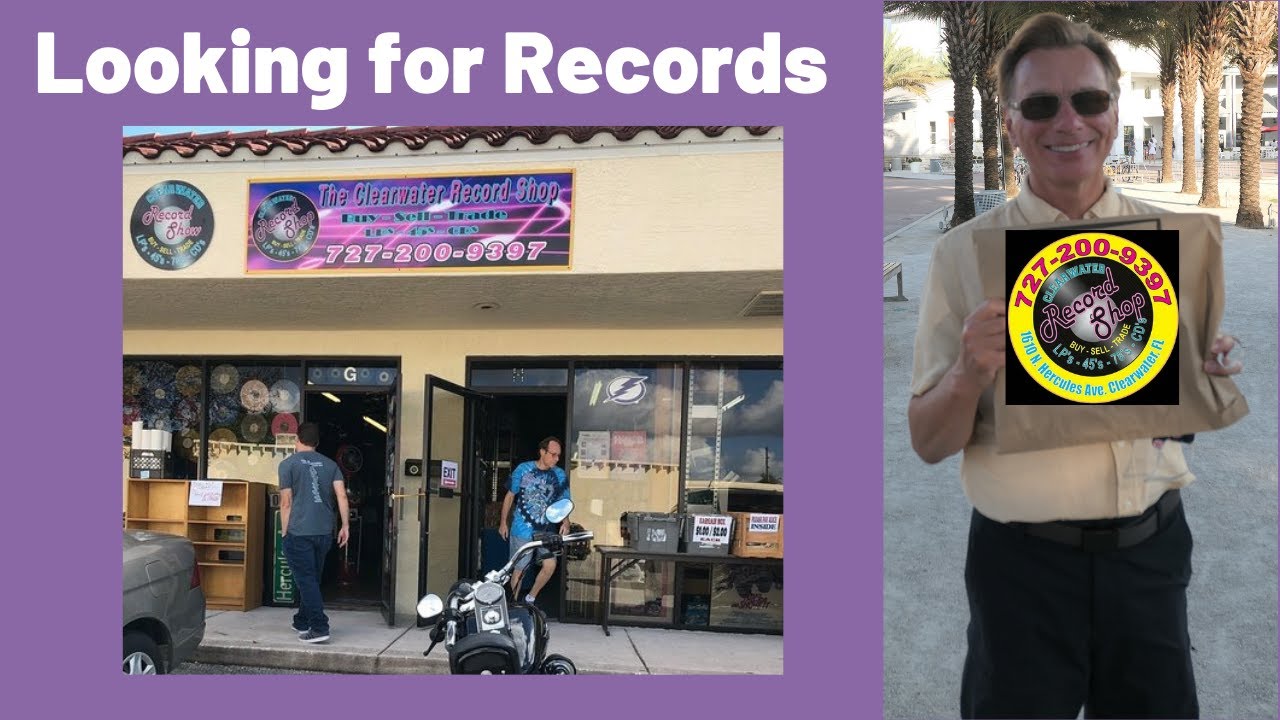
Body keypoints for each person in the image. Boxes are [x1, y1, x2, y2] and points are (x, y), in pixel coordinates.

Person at [907, 13, 1243, 719]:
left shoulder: (1169, 247)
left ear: (1114, 111)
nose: (1069, 122)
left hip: (1151, 559)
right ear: (1009, 123)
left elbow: (1173, 411)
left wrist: (1199, 370)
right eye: (1040, 105)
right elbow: (929, 442)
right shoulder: (963, 256)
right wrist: (968, 373)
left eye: (1088, 100)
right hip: (1020, 571)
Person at [278, 422, 349, 644]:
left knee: (306, 579)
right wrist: (345, 526)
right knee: (311, 578)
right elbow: (342, 496)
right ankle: (302, 620)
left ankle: (319, 627)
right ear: (317, 443)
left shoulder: (288, 464)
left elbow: (286, 502)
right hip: (324, 531)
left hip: (299, 531)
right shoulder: (330, 465)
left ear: (297, 439)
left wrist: (284, 531)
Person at [498, 436, 570, 603]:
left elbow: (564, 501)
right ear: (542, 452)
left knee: (550, 565)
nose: (557, 459)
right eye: (553, 454)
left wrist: (565, 521)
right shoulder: (523, 469)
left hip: (546, 529)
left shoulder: (559, 474)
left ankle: (530, 598)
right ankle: (515, 605)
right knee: (520, 569)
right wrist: (503, 522)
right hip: (521, 528)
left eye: (558, 455)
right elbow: (510, 496)